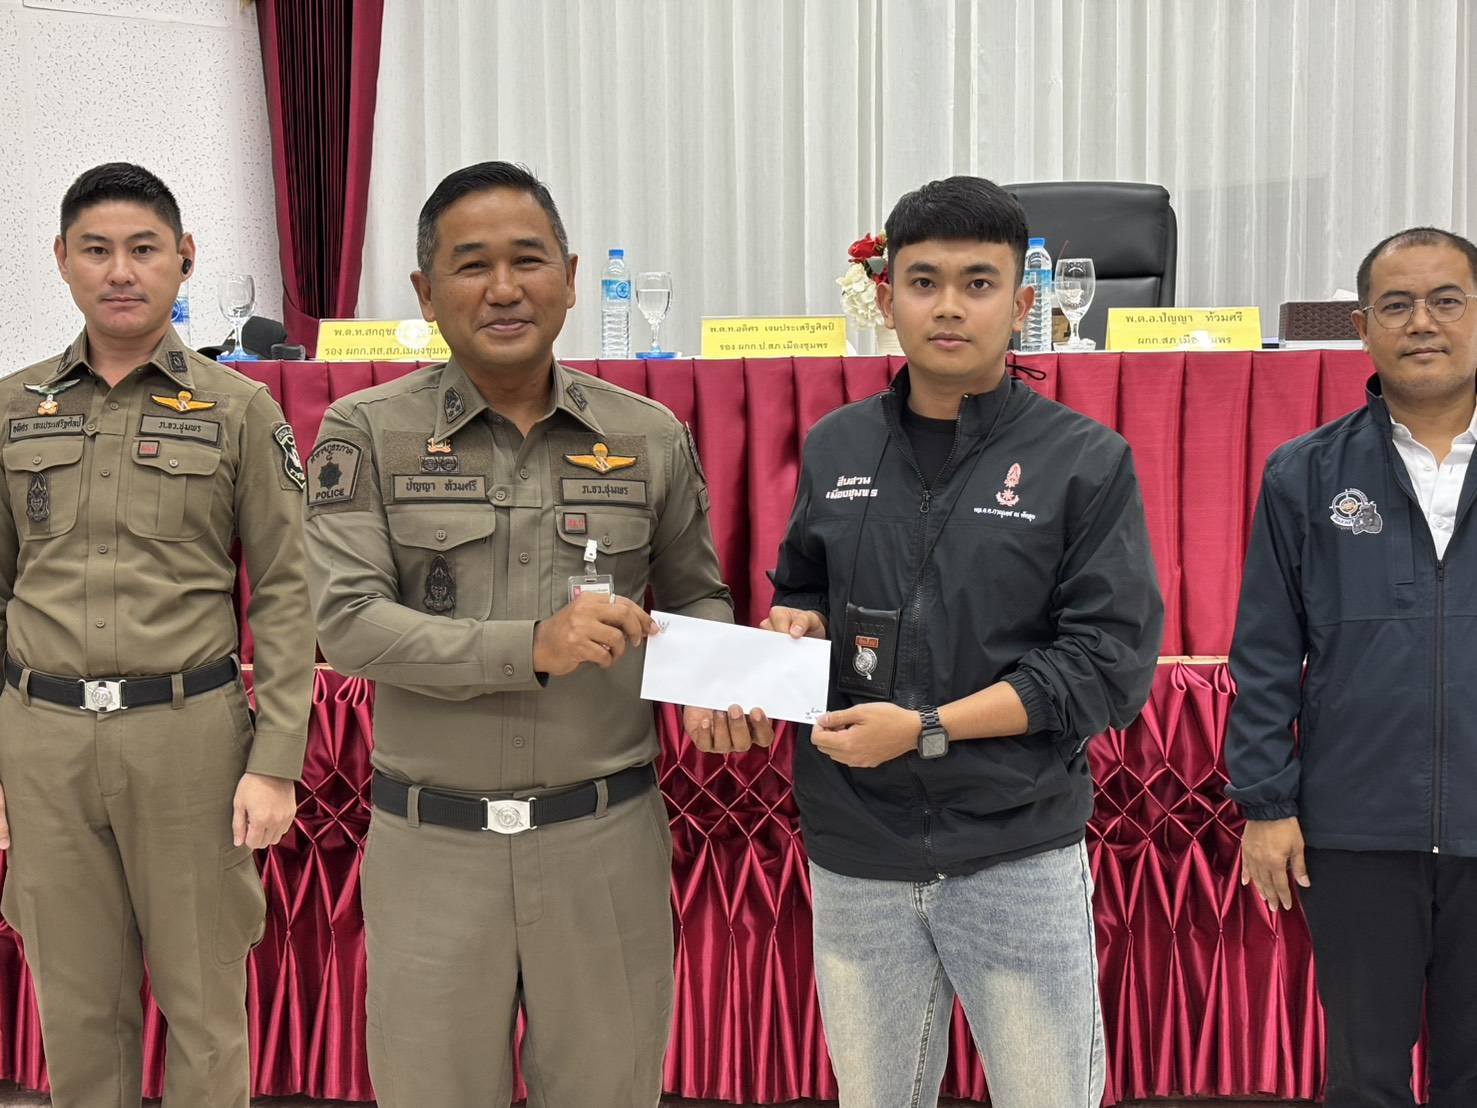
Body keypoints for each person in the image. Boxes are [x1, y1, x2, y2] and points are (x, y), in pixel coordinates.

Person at [304, 160, 770, 1107]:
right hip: (432, 851)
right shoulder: (365, 431)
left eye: (527, 260)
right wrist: (531, 649)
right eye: (472, 265)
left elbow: (697, 596)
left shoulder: (647, 435)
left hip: (602, 846)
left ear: (569, 276)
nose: (504, 288)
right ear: (425, 292)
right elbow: (348, 623)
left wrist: (720, 685)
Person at [760, 175, 1163, 1107]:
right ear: (885, 297)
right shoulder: (834, 446)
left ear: (1021, 304)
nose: (948, 307)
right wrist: (798, 619)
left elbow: (1106, 666)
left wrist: (927, 728)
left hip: (1012, 848)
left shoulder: (1085, 460)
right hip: (856, 844)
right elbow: (803, 583)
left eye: (978, 283)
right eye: (924, 282)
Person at [0, 162, 314, 1107]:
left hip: (189, 741)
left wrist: (277, 761)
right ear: (61, 260)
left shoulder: (239, 409)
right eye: (96, 250)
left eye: (144, 249)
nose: (120, 271)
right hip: (43, 743)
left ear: (185, 259)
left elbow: (287, 591)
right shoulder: (13, 409)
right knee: (78, 1014)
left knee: (205, 1011)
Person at [1227, 227, 1477, 1107]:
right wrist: (1265, 803)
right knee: (1364, 1078)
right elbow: (1263, 651)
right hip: (1355, 828)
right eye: (1395, 305)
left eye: (1445, 300)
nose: (1422, 322)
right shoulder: (1302, 473)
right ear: (1362, 328)